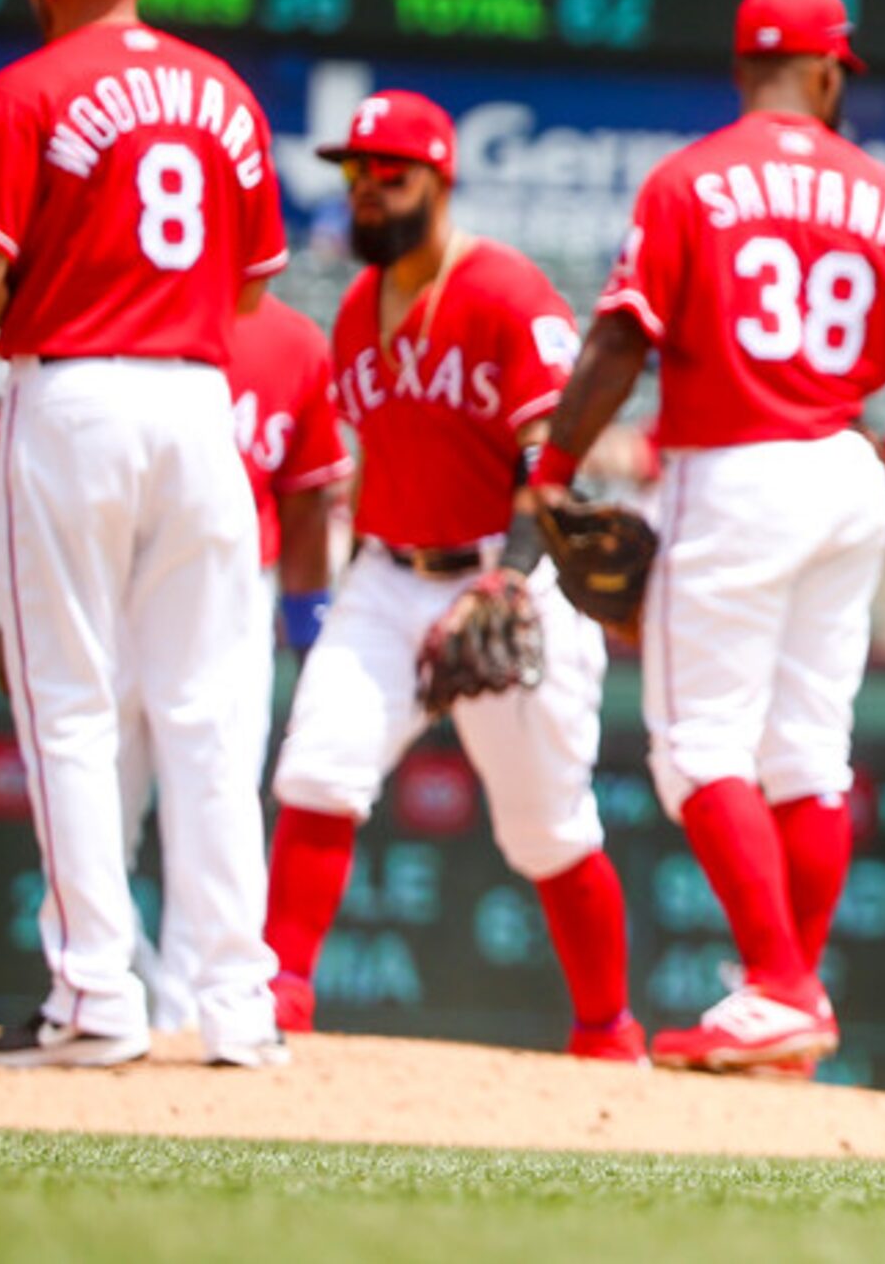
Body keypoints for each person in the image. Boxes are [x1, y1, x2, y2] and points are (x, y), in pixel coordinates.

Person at [535, 0, 885, 1074]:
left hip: (734, 467)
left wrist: (556, 468)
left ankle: (780, 986)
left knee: (700, 746)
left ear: (741, 68)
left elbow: (620, 340)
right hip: (847, 475)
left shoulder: (690, 181)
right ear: (825, 72)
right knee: (806, 750)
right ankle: (786, 1010)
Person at [0, 0, 291, 1068]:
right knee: (205, 714)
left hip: (79, 396)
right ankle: (239, 1008)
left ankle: (96, 998)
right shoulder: (226, 93)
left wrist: (69, 280)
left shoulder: (26, 88)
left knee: (73, 711)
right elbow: (250, 287)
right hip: (203, 404)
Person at [261, 91, 639, 1060]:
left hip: (505, 573)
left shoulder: (509, 293)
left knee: (548, 831)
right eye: (355, 176)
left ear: (440, 180)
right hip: (387, 574)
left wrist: (509, 579)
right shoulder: (353, 311)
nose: (370, 193)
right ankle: (276, 1005)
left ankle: (607, 1033)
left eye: (393, 176)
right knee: (316, 770)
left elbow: (551, 466)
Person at [122, 292, 349, 1031]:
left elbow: (310, 495)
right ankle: (107, 994)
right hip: (114, 581)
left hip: (237, 590)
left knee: (215, 801)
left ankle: (193, 1014)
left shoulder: (293, 340)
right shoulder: (121, 315)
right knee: (97, 801)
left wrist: (309, 631)